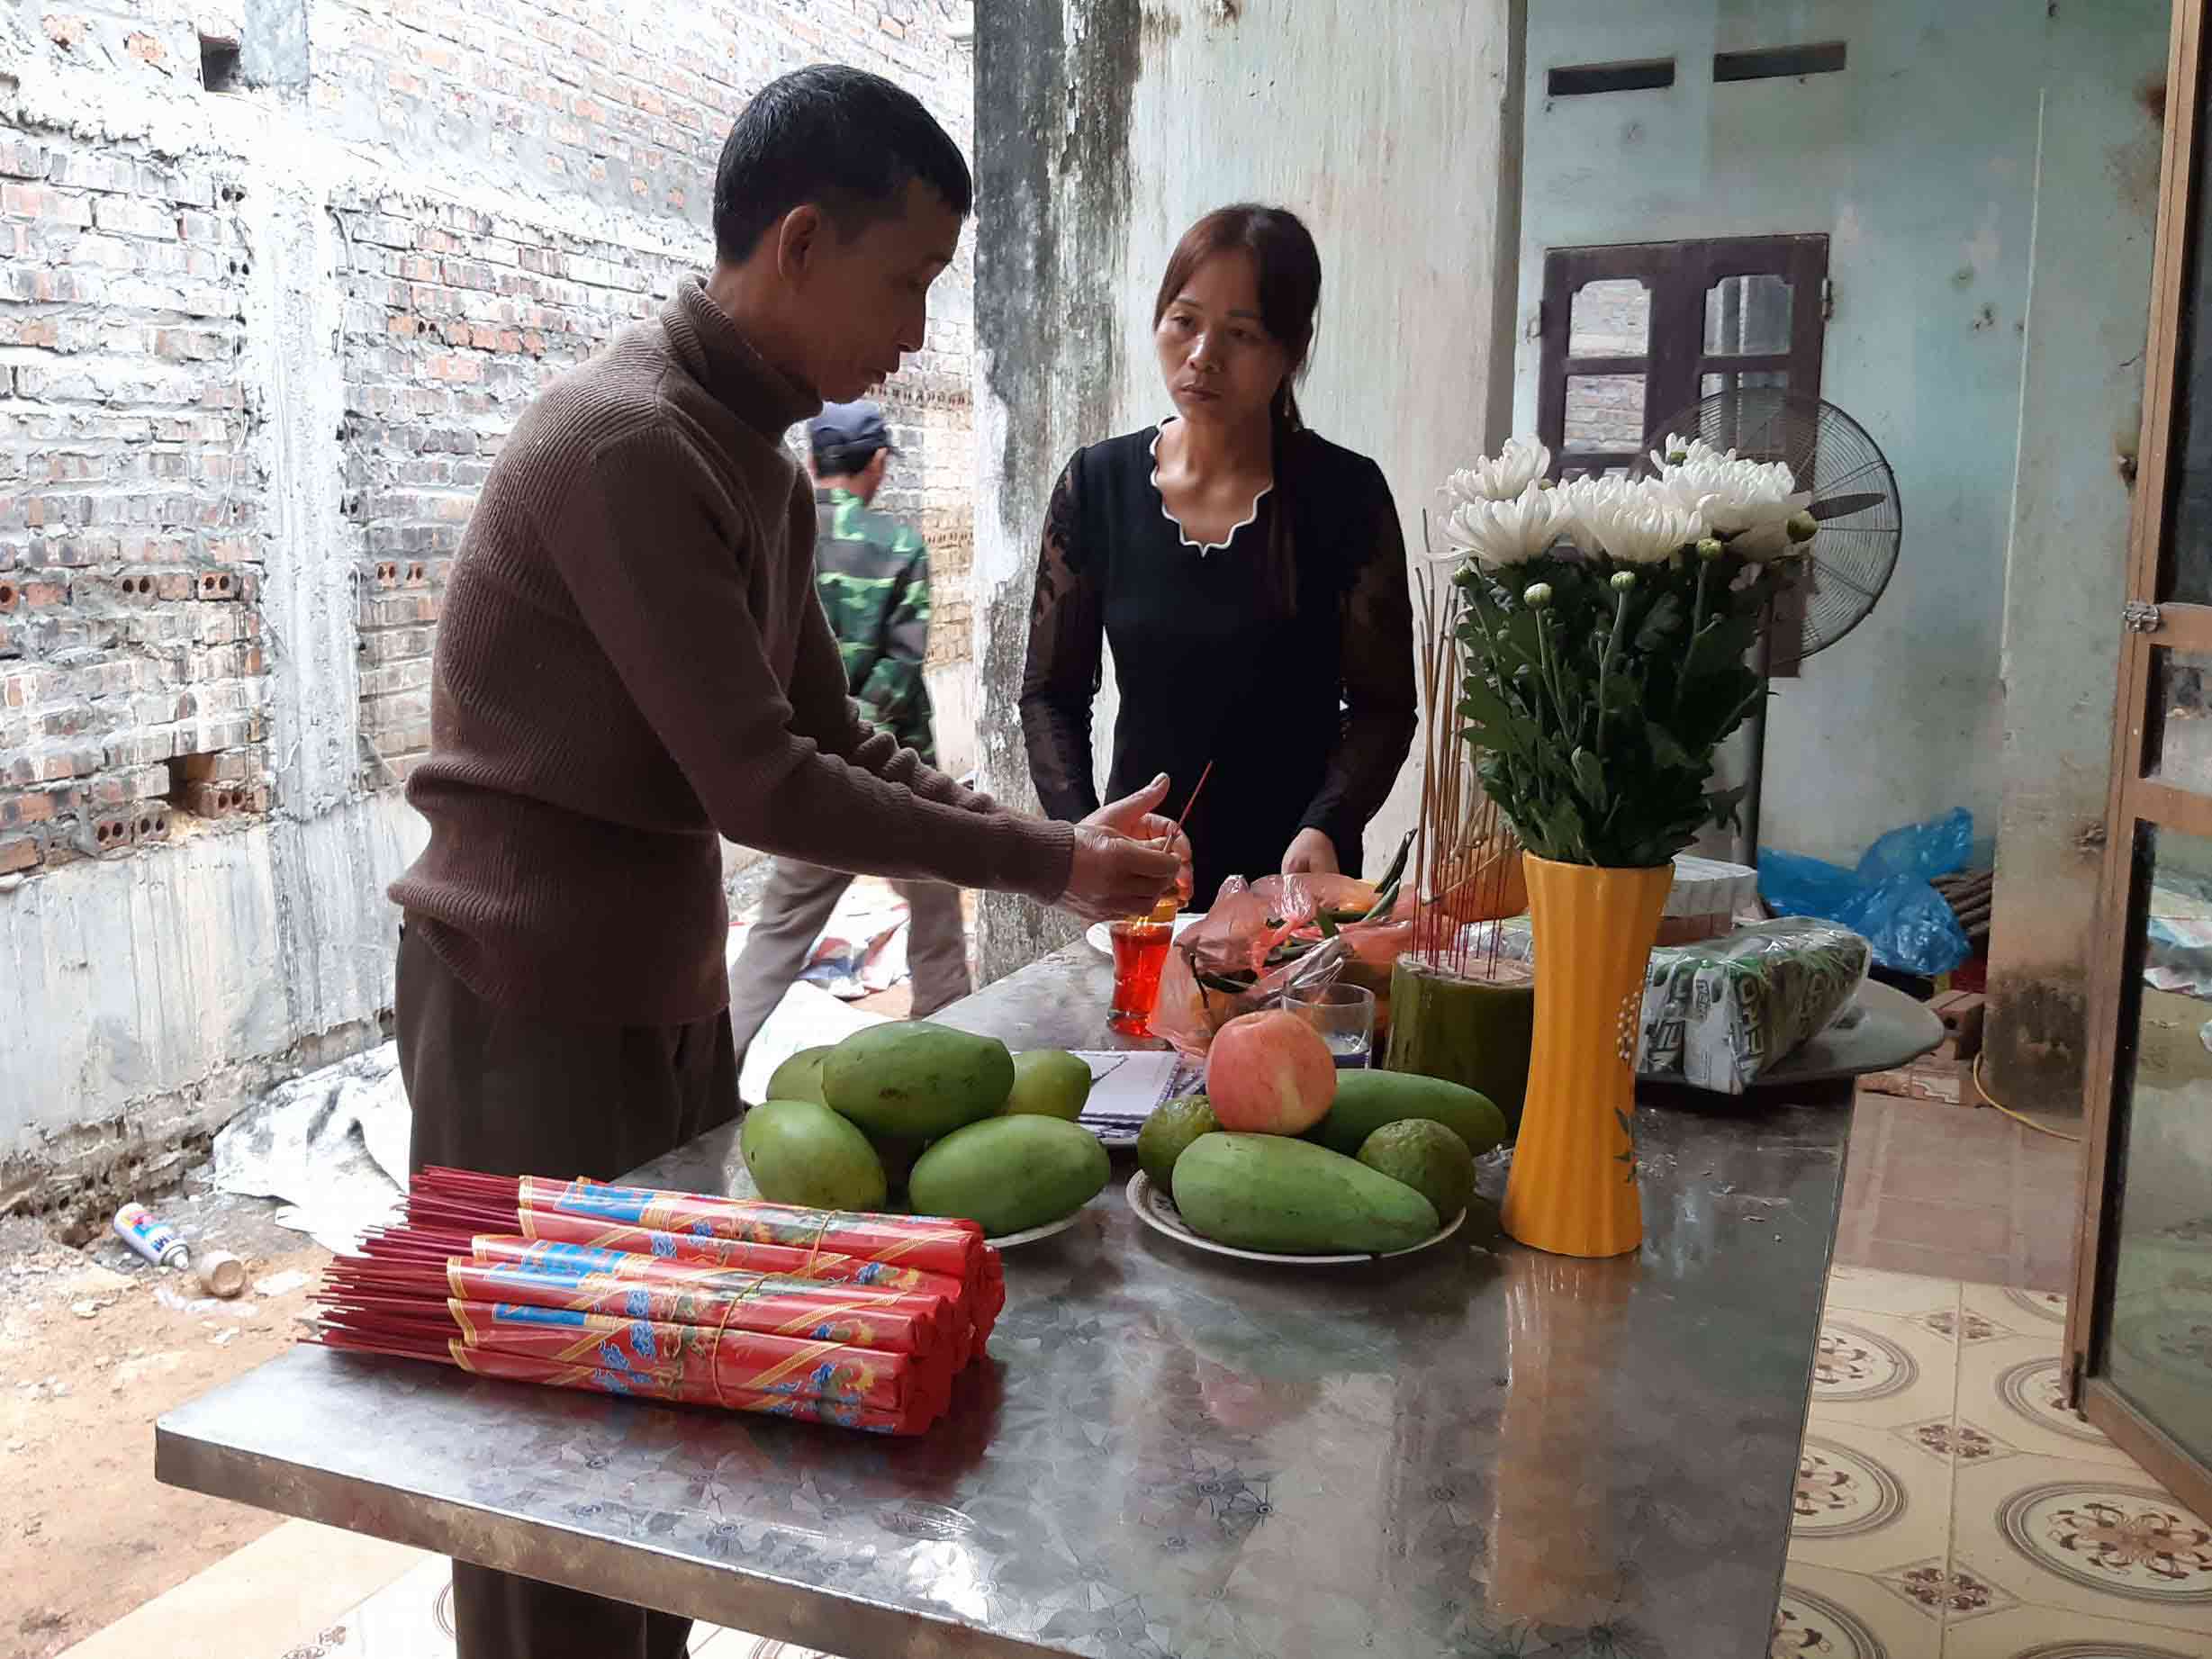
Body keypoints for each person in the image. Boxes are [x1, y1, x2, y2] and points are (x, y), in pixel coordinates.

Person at [385, 65, 1182, 1659]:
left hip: (658, 998)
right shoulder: (625, 447)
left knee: (659, 1418)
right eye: (908, 283)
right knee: (546, 1470)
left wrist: (1053, 844)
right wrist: (1044, 860)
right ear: (802, 243)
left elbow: (833, 733)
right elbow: (757, 782)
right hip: (524, 1006)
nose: (915, 334)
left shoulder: (752, 460)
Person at [1020, 204, 1418, 906]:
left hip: (1295, 887)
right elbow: (1050, 693)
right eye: (1184, 321)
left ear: (1290, 352)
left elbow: (1383, 706)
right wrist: (1084, 835)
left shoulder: (1344, 495)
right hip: (1143, 882)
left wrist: (1329, 823)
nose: (1203, 355)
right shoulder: (1097, 485)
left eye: (1241, 333)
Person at [727, 399, 971, 1058]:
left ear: (811, 460)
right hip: (899, 779)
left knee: (777, 934)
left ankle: (706, 1078)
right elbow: (902, 661)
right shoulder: (899, 546)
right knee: (937, 926)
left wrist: (809, 753)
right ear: (879, 463)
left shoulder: (776, 538)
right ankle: (949, 1059)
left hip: (804, 773)